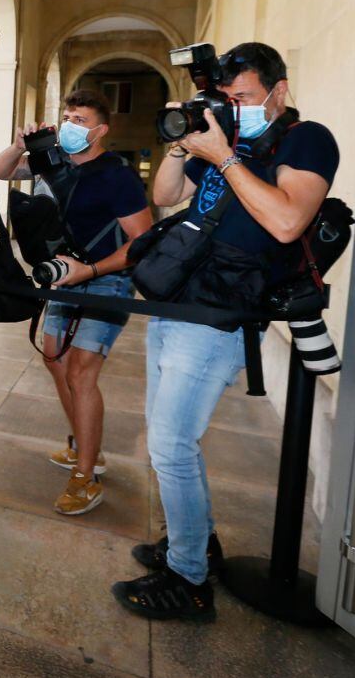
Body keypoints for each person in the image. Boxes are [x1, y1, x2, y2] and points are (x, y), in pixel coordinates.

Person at [111, 43, 340, 621]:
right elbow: (165, 196)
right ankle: (198, 543)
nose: (235, 108)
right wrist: (183, 138)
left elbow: (288, 221)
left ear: (278, 91)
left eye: (243, 97)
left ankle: (189, 581)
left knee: (170, 445)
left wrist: (227, 159)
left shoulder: (304, 139)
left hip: (219, 315)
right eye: (227, 98)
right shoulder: (224, 137)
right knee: (168, 439)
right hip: (177, 299)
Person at [0, 90, 152, 516]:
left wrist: (92, 271)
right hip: (65, 277)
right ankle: (86, 445)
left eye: (80, 120)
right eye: (67, 116)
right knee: (53, 357)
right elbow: (1, 171)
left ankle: (86, 474)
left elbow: (143, 243)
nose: (70, 125)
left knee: (81, 373)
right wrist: (19, 145)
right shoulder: (53, 159)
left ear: (100, 130)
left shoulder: (117, 175)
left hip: (107, 281)